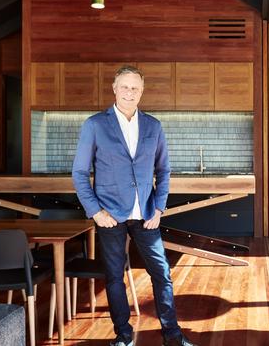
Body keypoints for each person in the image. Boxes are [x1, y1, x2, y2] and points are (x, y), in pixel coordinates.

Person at [72, 65, 196, 346]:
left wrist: (159, 208)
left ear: (142, 91)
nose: (130, 92)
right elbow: (79, 172)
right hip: (110, 216)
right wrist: (95, 211)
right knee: (115, 277)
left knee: (161, 273)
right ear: (114, 89)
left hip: (146, 215)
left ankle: (172, 335)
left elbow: (164, 170)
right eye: (125, 87)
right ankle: (123, 336)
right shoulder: (95, 125)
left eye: (135, 88)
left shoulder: (154, 126)